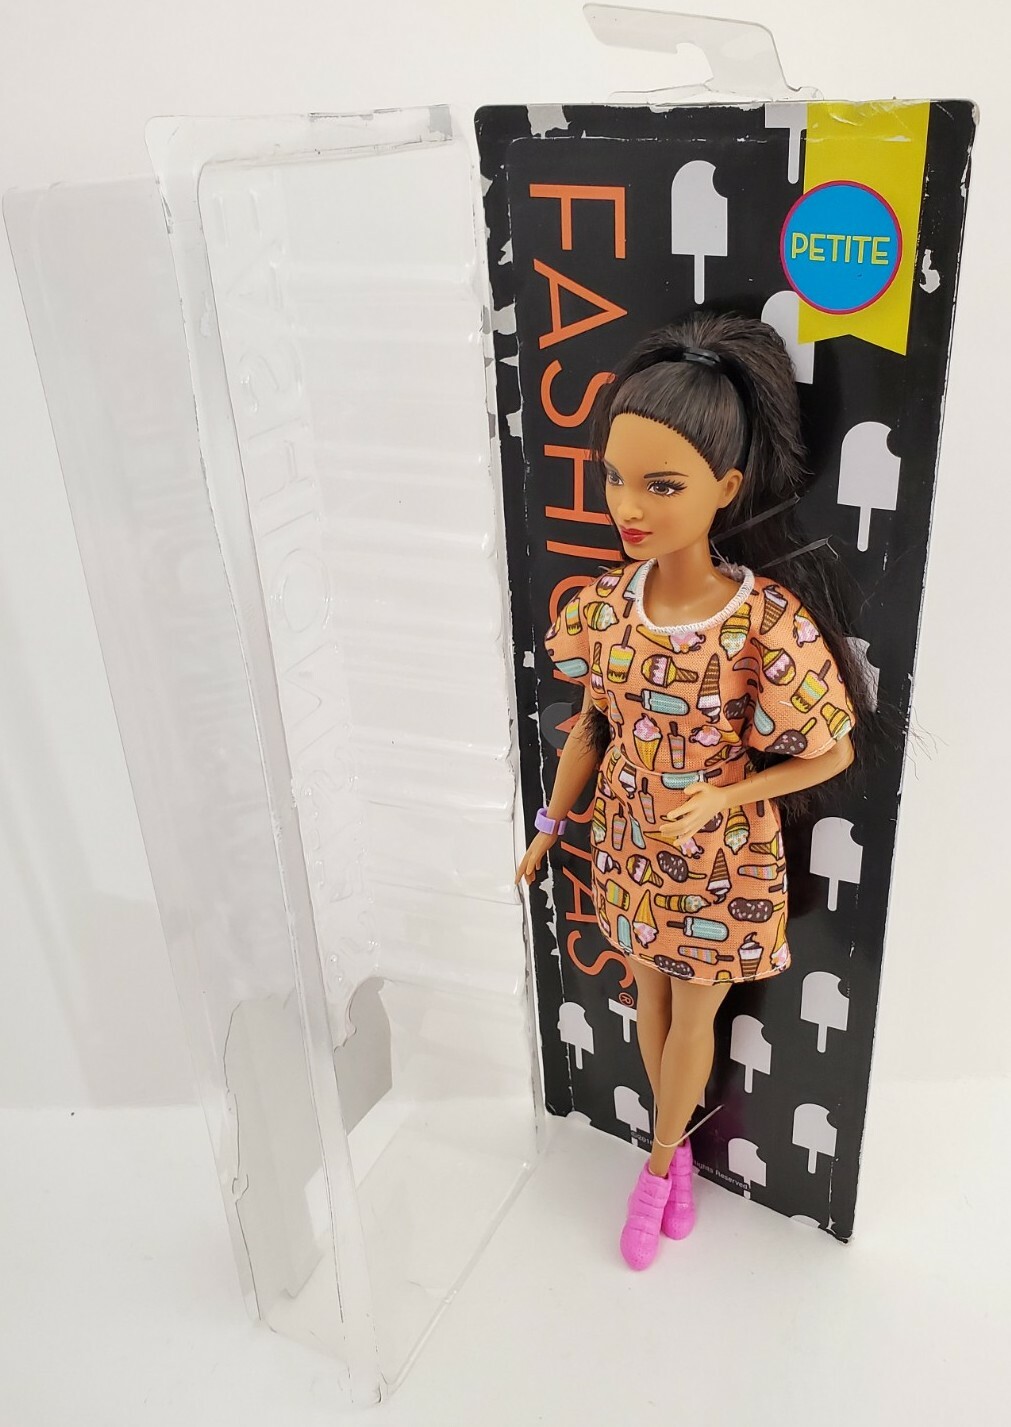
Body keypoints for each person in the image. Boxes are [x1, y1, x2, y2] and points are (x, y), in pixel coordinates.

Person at [515, 310, 884, 1271]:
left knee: (696, 1018)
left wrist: (726, 797)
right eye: (616, 478)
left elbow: (831, 753)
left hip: (721, 859)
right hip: (629, 845)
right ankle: (675, 1154)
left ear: (725, 487)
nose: (628, 506)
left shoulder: (762, 623)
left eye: (662, 484)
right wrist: (550, 823)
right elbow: (590, 726)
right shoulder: (605, 607)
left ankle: (652, 1171)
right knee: (648, 1002)